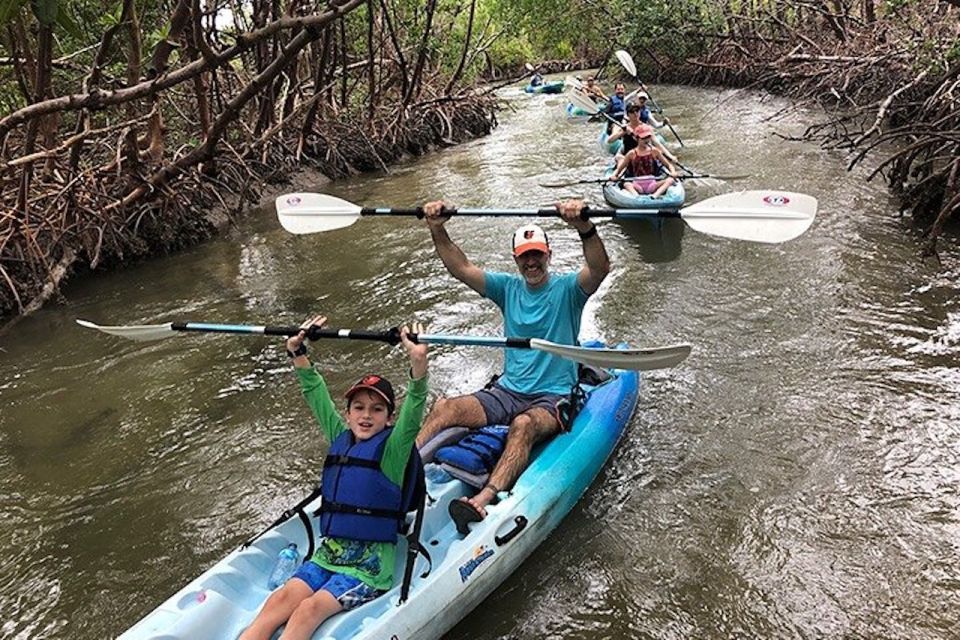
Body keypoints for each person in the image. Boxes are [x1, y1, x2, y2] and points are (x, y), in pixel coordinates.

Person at [414, 200, 610, 533]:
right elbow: (460, 268)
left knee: (522, 425)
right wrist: (437, 227)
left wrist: (584, 228)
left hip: (552, 397)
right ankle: (398, 466)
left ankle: (481, 499)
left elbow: (599, 268)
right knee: (446, 407)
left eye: (537, 254)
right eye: (525, 256)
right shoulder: (506, 288)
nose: (532, 262)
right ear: (516, 260)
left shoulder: (568, 291)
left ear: (548, 255)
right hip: (507, 390)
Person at [239, 315, 429, 640]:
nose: (366, 416)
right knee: (281, 599)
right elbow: (316, 395)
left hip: (368, 565)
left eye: (377, 409)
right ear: (348, 413)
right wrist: (297, 353)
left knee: (307, 610)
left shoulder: (394, 450)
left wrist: (418, 362)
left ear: (389, 418)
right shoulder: (339, 436)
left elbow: (415, 406)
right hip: (331, 551)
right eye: (359, 407)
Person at [611, 124, 678, 198]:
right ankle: (636, 197)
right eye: (643, 138)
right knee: (627, 184)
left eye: (648, 137)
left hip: (652, 184)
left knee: (670, 180)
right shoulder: (631, 153)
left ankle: (655, 195)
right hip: (637, 184)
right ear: (636, 138)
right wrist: (615, 176)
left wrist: (673, 172)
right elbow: (620, 170)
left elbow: (668, 165)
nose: (646, 140)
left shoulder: (655, 151)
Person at [607, 101, 678, 163]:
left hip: (643, 155)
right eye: (632, 112)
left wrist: (670, 156)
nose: (635, 113)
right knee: (620, 160)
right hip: (628, 155)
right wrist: (623, 132)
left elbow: (657, 143)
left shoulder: (646, 127)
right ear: (628, 115)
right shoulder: (624, 127)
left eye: (637, 110)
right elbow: (610, 141)